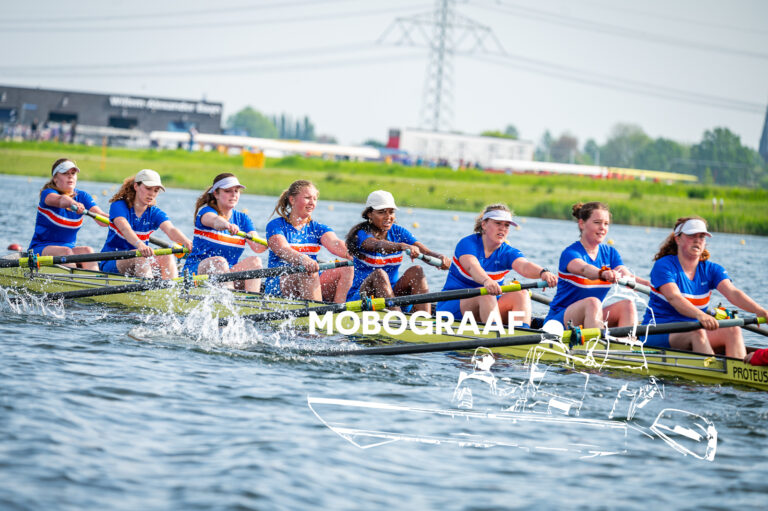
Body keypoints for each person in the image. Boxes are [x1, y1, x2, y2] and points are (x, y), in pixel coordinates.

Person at [641, 217, 767, 358]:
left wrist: (759, 310)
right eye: (691, 235)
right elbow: (674, 297)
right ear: (678, 239)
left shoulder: (712, 269)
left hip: (693, 329)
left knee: (733, 329)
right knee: (698, 332)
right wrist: (700, 315)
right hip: (657, 331)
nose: (697, 240)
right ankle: (710, 370)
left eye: (701, 236)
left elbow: (733, 293)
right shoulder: (664, 266)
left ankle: (737, 368)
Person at [436, 204, 557, 327]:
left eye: (506, 225)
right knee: (485, 293)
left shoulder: (507, 252)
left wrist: (543, 272)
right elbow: (472, 267)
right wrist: (487, 281)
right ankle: (495, 333)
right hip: (451, 308)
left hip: (488, 306)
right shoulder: (467, 244)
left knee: (521, 293)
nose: (502, 229)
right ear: (484, 224)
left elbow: (524, 266)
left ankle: (521, 332)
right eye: (498, 223)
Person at [544, 202, 648, 329]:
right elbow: (584, 269)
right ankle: (598, 339)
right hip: (557, 323)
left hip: (591, 316)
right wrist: (603, 273)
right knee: (593, 303)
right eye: (597, 222)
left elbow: (627, 276)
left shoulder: (610, 253)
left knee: (628, 306)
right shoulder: (571, 253)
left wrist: (652, 286)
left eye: (606, 224)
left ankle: (626, 340)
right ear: (582, 224)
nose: (602, 228)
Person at [345, 190, 450, 313]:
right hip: (362, 298)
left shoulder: (398, 232)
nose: (388, 217)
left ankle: (424, 319)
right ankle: (397, 318)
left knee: (417, 271)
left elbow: (425, 252)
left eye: (391, 212)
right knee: (379, 274)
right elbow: (377, 245)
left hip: (392, 296)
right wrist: (402, 246)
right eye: (381, 212)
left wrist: (440, 258)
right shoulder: (362, 233)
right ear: (369, 214)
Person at [264, 180, 353, 302]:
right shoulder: (276, 225)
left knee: (347, 268)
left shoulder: (317, 228)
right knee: (308, 271)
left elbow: (335, 243)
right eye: (307, 198)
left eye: (315, 199)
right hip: (279, 282)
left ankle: (339, 309)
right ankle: (315, 311)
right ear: (292, 200)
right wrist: (303, 259)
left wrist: (353, 254)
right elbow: (282, 249)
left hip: (310, 277)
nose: (312, 203)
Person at [99, 169, 192, 279]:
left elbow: (171, 230)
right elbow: (125, 228)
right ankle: (148, 287)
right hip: (111, 261)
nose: (152, 194)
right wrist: (140, 244)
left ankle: (171, 286)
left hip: (139, 259)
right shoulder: (118, 206)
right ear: (136, 186)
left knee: (167, 256)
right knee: (141, 255)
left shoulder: (154, 213)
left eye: (156, 190)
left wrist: (186, 242)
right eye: (148, 188)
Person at [183, 173, 266, 292]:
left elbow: (257, 247)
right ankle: (229, 298)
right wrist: (227, 225)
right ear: (216, 194)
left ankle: (252, 299)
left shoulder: (243, 219)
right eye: (228, 191)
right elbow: (215, 221)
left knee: (255, 261)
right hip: (196, 272)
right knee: (220, 261)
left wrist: (274, 242)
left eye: (236, 191)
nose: (234, 195)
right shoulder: (206, 212)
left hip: (227, 274)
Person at [28, 158, 108, 271]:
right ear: (55, 178)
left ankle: (95, 278)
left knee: (88, 251)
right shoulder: (48, 194)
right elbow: (61, 200)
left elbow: (101, 218)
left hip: (68, 250)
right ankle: (73, 280)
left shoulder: (83, 196)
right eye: (65, 173)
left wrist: (121, 221)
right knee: (66, 252)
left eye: (73, 173)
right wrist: (73, 203)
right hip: (40, 249)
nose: (70, 176)